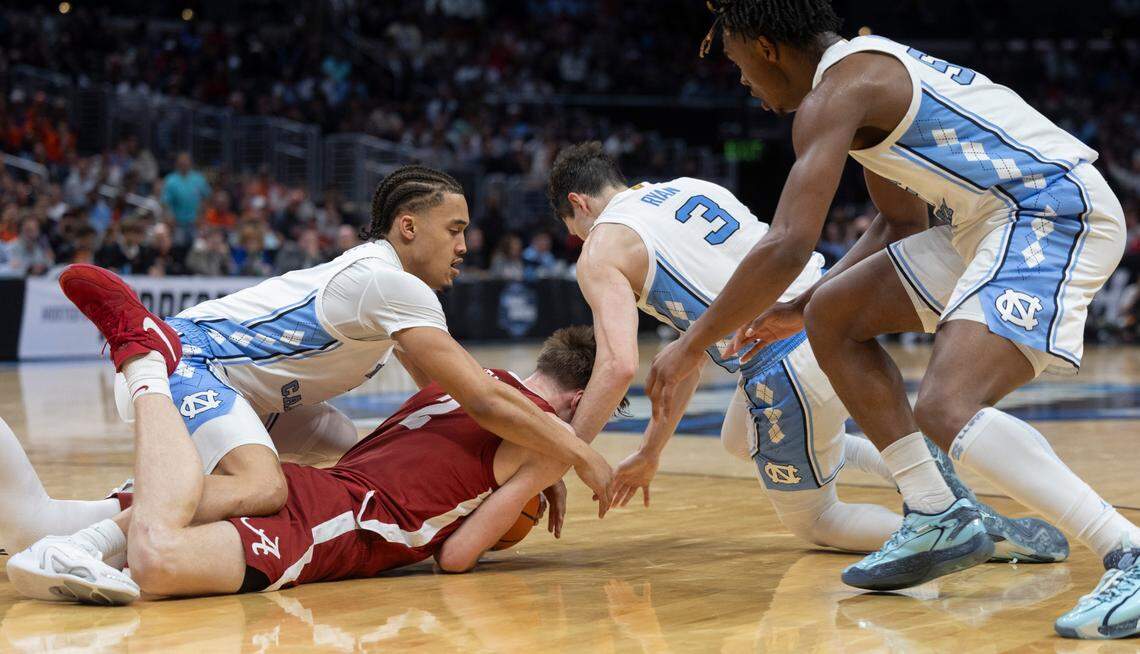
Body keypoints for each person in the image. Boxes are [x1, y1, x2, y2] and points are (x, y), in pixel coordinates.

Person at [645, 0, 1138, 639]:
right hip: (984, 224)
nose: (742, 83)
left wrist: (692, 342)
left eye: (739, 65)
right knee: (832, 314)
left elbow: (788, 243)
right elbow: (900, 223)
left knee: (946, 403)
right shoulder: (864, 84)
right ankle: (937, 510)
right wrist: (798, 309)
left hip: (1049, 210)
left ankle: (1126, 547)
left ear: (766, 47)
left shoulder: (838, 92)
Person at [548, 142, 1064, 557]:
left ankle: (961, 532)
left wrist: (555, 458)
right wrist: (651, 452)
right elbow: (686, 364)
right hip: (834, 317)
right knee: (737, 436)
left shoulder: (602, 247)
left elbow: (618, 365)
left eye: (574, 231)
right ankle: (926, 477)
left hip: (781, 358)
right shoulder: (688, 188)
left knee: (818, 522)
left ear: (578, 204)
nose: (579, 240)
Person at [54, 165, 611, 543]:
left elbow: (438, 399)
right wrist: (575, 453)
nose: (466, 246)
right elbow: (482, 398)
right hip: (186, 362)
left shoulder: (387, 283)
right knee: (264, 487)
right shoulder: (391, 284)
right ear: (409, 227)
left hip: (248, 390)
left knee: (370, 464)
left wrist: (528, 463)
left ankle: (96, 511)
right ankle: (89, 537)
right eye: (455, 229)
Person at [5, 291, 610, 603]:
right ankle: (145, 364)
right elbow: (454, 559)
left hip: (318, 487)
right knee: (158, 563)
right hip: (342, 524)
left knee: (105, 528)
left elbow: (456, 442)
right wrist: (541, 474)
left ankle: (70, 539)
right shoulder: (538, 445)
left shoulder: (470, 382)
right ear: (578, 397)